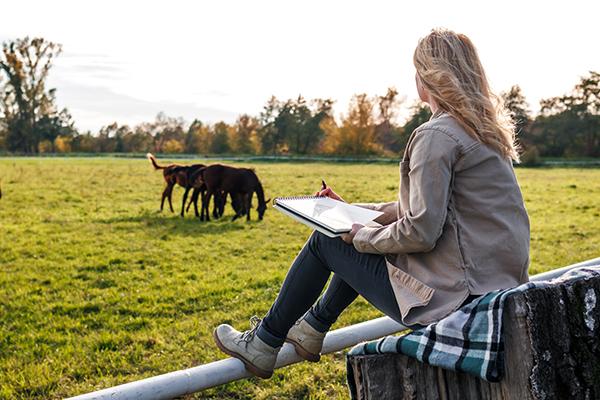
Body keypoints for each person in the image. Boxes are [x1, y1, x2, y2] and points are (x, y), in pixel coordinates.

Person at [213, 28, 530, 379]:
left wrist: (358, 235)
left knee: (325, 240)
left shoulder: (436, 135)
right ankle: (312, 327)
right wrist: (353, 212)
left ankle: (263, 343)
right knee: (353, 235)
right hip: (497, 292)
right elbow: (423, 208)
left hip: (456, 302)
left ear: (425, 77)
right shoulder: (484, 133)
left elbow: (421, 231)